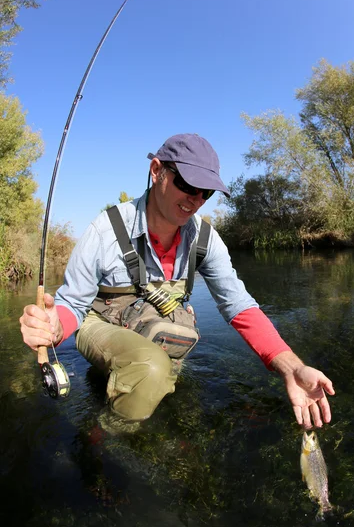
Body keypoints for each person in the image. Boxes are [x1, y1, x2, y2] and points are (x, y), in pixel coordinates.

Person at [20, 133, 334, 428]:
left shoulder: (206, 239)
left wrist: (292, 368)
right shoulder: (105, 230)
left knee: (169, 360)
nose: (195, 200)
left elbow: (238, 305)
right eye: (186, 184)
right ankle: (109, 436)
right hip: (99, 324)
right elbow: (72, 304)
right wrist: (53, 326)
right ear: (157, 171)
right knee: (152, 368)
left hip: (152, 326)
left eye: (205, 192)